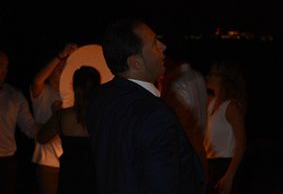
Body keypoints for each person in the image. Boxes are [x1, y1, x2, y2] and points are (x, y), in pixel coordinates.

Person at [87, 18, 205, 194]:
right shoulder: (156, 116)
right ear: (136, 62)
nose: (163, 46)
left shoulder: (101, 98)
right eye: (154, 44)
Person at [38, 65, 101, 194]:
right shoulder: (105, 117)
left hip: (70, 178)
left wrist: (55, 115)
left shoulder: (62, 116)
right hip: (97, 178)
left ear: (73, 86)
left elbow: (41, 137)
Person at [30, 43, 78, 194]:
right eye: (58, 68)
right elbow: (37, 81)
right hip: (46, 159)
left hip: (68, 158)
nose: (61, 71)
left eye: (64, 68)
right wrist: (60, 56)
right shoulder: (42, 91)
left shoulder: (71, 95)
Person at [161, 43, 209, 178]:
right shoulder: (198, 76)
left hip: (185, 157)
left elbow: (182, 125)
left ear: (168, 59)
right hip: (200, 149)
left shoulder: (176, 86)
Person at [204, 60, 247, 194]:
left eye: (212, 74)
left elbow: (241, 145)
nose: (207, 76)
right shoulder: (211, 102)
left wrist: (229, 176)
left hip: (226, 165)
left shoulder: (231, 107)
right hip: (211, 165)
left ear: (223, 79)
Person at [0, 50, 40, 194]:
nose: (3, 71)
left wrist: (53, 125)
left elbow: (29, 127)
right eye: (0, 65)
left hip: (6, 162)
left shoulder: (14, 95)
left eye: (6, 67)